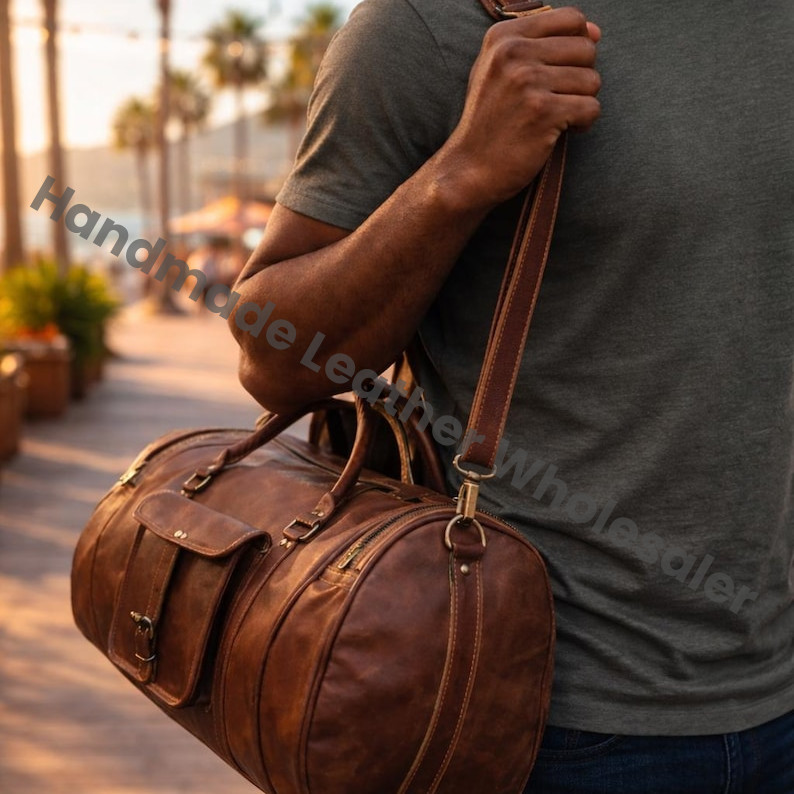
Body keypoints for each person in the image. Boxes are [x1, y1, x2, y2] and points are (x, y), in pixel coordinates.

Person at [229, 1, 794, 791]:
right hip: (538, 718)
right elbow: (272, 354)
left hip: (777, 677)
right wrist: (458, 175)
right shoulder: (430, 27)